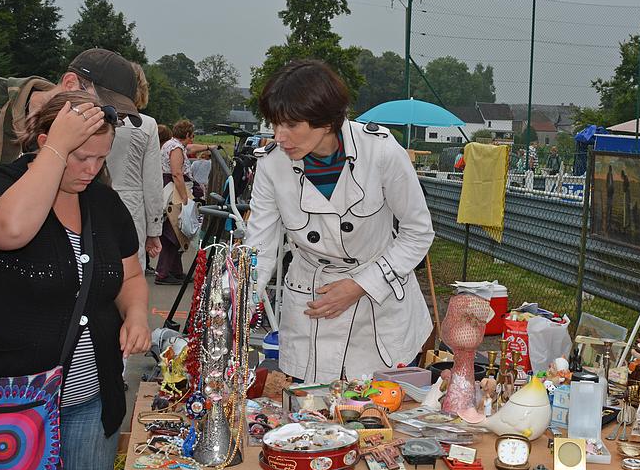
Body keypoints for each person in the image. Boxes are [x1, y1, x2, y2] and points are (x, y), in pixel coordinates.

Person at [0, 90, 150, 470]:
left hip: (91, 402)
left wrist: (135, 315)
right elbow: (11, 230)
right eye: (80, 157)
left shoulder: (103, 202)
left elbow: (131, 276)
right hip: (11, 406)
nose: (91, 169)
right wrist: (58, 149)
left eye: (101, 159)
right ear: (48, 143)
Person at [246, 59, 435, 383]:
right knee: (308, 409)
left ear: (325, 120)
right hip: (312, 304)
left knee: (381, 408)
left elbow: (417, 233)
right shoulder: (271, 165)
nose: (279, 136)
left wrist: (360, 286)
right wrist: (236, 311)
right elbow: (258, 249)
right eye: (275, 124)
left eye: (291, 125)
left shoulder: (380, 151)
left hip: (379, 305)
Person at [0, 48, 142, 304]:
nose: (105, 120)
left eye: (115, 117)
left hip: (5, 304)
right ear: (70, 83)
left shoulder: (92, 172)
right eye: (102, 108)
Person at [106, 62, 162, 272]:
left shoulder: (92, 117)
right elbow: (152, 181)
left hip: (91, 199)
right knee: (130, 270)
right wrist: (154, 229)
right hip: (131, 206)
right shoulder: (147, 125)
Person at [155, 119, 206, 285]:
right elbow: (177, 173)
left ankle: (175, 270)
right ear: (188, 134)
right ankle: (162, 273)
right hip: (174, 192)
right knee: (173, 231)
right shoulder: (176, 148)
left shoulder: (171, 145)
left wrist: (209, 147)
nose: (193, 138)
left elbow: (190, 148)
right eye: (192, 135)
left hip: (170, 189)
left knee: (176, 232)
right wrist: (185, 198)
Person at [605, 164, 615, 234]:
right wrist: (607, 188)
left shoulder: (611, 175)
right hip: (609, 190)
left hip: (611, 190)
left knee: (610, 203)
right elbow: (607, 182)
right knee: (609, 203)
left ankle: (610, 212)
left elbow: (612, 182)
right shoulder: (608, 174)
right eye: (610, 168)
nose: (610, 170)